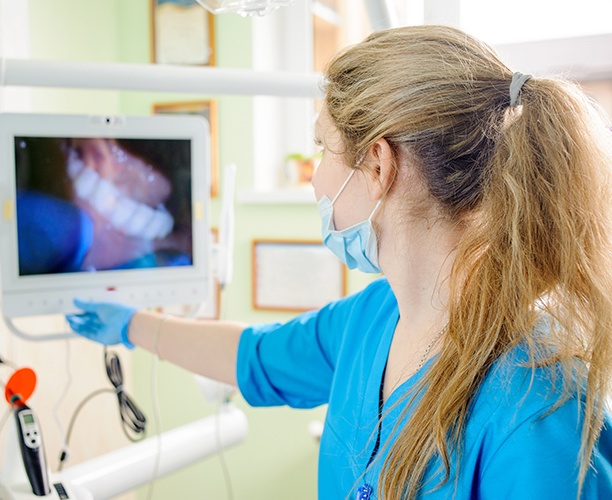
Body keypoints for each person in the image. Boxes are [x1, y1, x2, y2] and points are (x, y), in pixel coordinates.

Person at [66, 25, 612, 499]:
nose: (315, 177)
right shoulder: (376, 317)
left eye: (323, 148)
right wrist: (131, 324)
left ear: (377, 164)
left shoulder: (541, 408)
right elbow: (254, 356)